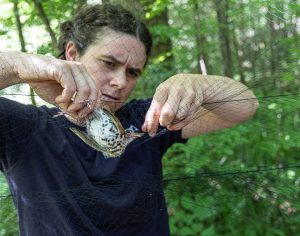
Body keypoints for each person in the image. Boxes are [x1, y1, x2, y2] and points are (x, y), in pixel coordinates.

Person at [0, 3, 258, 236]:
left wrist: (201, 86)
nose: (120, 82)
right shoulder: (25, 128)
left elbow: (244, 106)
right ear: (73, 54)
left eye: (133, 72)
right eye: (109, 63)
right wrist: (16, 66)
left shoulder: (148, 119)